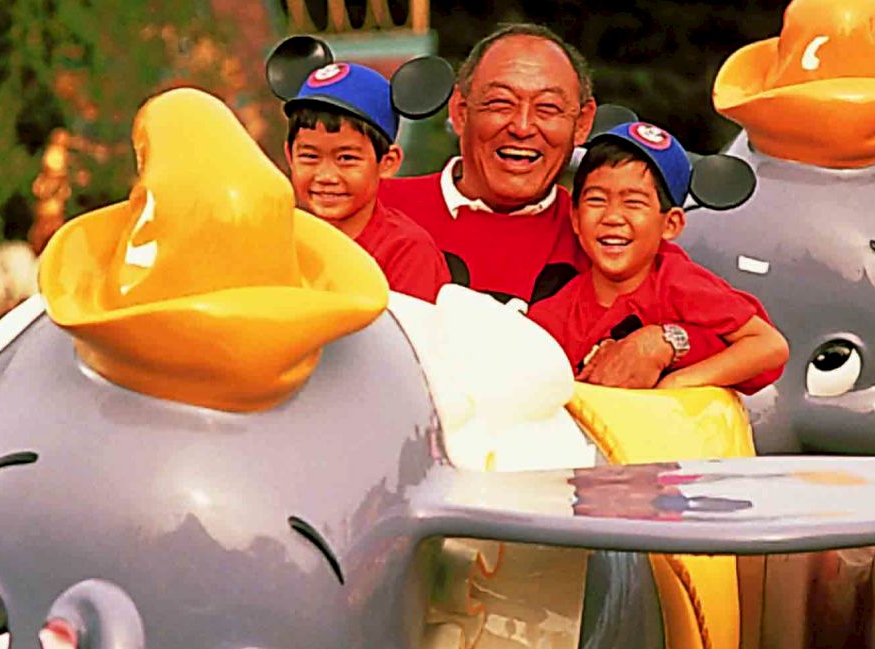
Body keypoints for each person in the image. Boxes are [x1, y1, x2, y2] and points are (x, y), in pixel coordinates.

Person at [380, 23, 759, 391]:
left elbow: (749, 348)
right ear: (460, 111)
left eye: (548, 109)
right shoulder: (378, 209)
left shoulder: (606, 235)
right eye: (500, 103)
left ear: (582, 123)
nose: (523, 126)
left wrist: (665, 342)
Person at [529, 122, 788, 392]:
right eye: (596, 200)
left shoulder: (680, 283)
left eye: (634, 202)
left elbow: (769, 346)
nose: (613, 217)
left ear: (671, 224)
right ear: (575, 217)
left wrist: (677, 382)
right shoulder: (554, 314)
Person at [283, 62, 450, 302]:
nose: (326, 176)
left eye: (346, 158)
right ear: (289, 155)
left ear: (388, 162)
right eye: (309, 157)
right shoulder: (278, 238)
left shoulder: (406, 250)